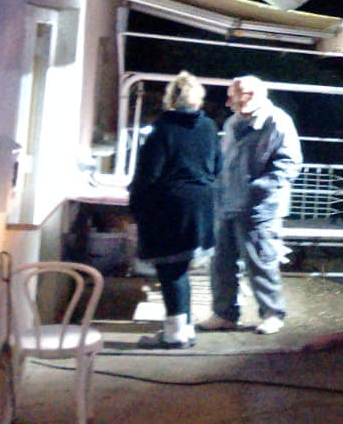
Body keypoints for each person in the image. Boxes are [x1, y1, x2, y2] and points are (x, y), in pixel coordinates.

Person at [199, 75, 302, 335]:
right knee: (221, 264)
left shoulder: (277, 121)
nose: (228, 102)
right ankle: (224, 314)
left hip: (260, 209)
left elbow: (289, 165)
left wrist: (256, 189)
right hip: (228, 203)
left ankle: (272, 313)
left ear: (251, 96)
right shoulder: (233, 121)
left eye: (233, 97)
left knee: (261, 262)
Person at [128, 71, 220, 349]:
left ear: (171, 98)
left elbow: (149, 174)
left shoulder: (163, 129)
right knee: (180, 269)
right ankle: (184, 328)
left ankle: (176, 335)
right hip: (202, 205)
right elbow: (217, 166)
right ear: (198, 99)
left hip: (170, 207)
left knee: (170, 271)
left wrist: (136, 204)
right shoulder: (209, 127)